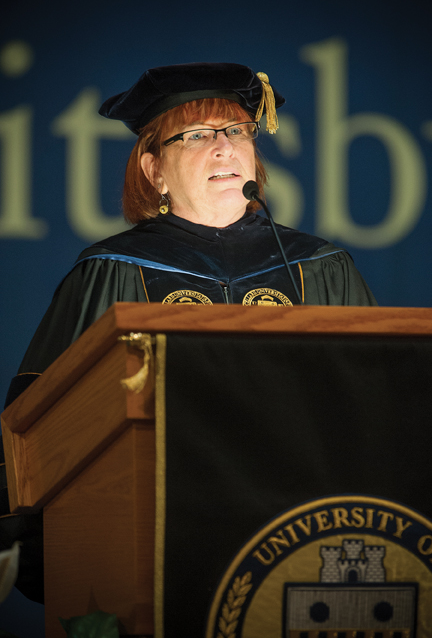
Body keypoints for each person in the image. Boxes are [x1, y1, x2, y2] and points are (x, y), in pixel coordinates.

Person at [1, 62, 376, 602]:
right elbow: (41, 420)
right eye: (197, 135)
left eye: (236, 131)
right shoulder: (114, 270)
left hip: (302, 540)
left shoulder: (320, 266)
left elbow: (375, 408)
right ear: (153, 170)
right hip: (155, 544)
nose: (224, 148)